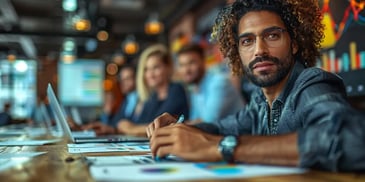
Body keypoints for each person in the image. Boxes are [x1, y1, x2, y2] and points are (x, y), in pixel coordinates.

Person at [146, 0, 365, 172]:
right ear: (237, 51)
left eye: (272, 35)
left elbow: (352, 140)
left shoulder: (311, 84)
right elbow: (220, 128)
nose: (259, 50)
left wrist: (221, 148)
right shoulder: (261, 101)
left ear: (295, 43)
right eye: (247, 41)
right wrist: (178, 129)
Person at [116, 44, 189, 136]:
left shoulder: (176, 90)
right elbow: (141, 123)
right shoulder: (153, 96)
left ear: (168, 67)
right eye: (146, 69)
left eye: (156, 67)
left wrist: (131, 128)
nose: (150, 74)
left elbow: (159, 127)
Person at [176, 44, 245, 124]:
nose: (186, 70)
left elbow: (207, 122)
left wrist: (174, 127)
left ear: (203, 61)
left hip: (242, 135)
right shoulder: (196, 88)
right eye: (182, 65)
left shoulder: (219, 83)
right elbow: (194, 119)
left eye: (191, 63)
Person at [82, 64, 138, 135]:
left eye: (127, 79)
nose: (123, 83)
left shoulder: (143, 99)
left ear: (137, 79)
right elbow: (115, 123)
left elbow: (132, 125)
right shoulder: (127, 100)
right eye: (122, 80)